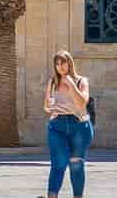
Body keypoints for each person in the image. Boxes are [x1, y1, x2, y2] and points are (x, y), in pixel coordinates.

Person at [43, 50, 93, 198]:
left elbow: (83, 103)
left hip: (79, 126)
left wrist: (71, 85)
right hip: (57, 126)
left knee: (76, 165)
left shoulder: (81, 81)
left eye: (63, 62)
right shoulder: (52, 82)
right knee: (58, 164)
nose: (60, 66)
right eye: (57, 64)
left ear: (69, 63)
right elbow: (46, 106)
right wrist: (50, 108)